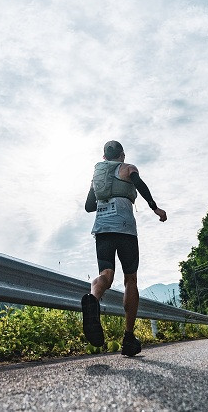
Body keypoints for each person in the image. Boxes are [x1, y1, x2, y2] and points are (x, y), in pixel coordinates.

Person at [81, 140, 167, 356]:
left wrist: (104, 195)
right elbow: (141, 185)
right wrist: (155, 208)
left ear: (104, 157)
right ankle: (128, 338)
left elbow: (89, 207)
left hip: (102, 228)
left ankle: (93, 299)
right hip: (125, 228)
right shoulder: (128, 168)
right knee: (130, 279)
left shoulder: (97, 176)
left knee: (106, 275)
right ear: (122, 155)